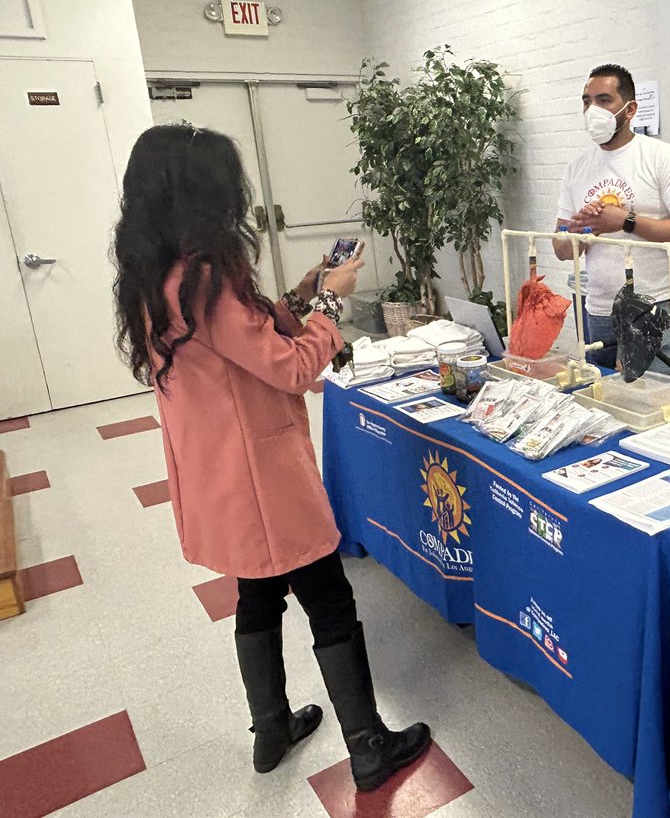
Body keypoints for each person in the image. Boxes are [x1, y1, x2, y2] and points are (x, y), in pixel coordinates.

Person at [112, 124, 431, 791]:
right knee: (329, 599)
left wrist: (301, 296)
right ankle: (369, 746)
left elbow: (245, 341)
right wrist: (335, 302)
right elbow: (289, 368)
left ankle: (271, 728)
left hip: (223, 476)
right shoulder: (203, 278)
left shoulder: (155, 275)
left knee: (256, 593)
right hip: (263, 481)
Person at [553, 63, 670, 371]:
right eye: (587, 101)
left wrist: (625, 221)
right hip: (598, 311)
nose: (592, 110)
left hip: (652, 308)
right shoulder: (577, 168)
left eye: (604, 100)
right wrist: (585, 227)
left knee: (654, 397)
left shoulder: (661, 156)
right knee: (603, 397)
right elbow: (560, 248)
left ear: (630, 109)